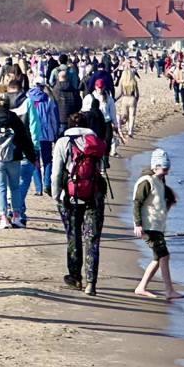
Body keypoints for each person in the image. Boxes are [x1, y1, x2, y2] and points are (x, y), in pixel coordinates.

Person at [51, 113, 108, 296]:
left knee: (73, 235)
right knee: (92, 238)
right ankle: (91, 282)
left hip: (71, 195)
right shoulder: (96, 141)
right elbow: (102, 168)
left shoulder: (63, 142)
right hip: (94, 194)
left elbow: (56, 173)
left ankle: (75, 277)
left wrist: (55, 196)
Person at [132, 148, 184, 300]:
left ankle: (141, 287)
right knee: (164, 255)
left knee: (158, 257)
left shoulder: (159, 180)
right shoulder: (146, 182)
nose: (166, 173)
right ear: (155, 167)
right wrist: (138, 225)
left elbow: (159, 200)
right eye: (164, 169)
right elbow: (137, 203)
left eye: (167, 169)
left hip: (157, 226)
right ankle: (169, 290)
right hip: (148, 226)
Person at [0, 92, 36, 229]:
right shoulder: (14, 118)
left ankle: (3, 217)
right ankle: (16, 215)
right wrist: (32, 157)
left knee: (1, 188)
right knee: (14, 187)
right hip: (14, 156)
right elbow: (24, 138)